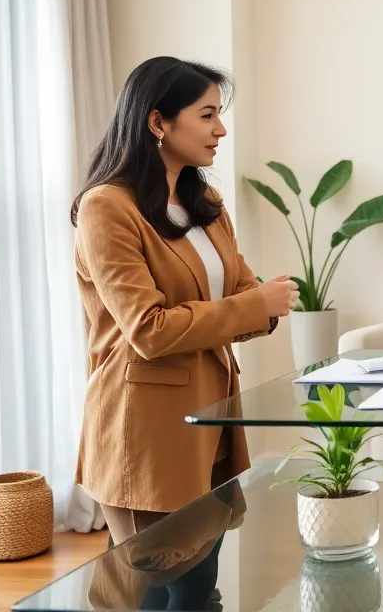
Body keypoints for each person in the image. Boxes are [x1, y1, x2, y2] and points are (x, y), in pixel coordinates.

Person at [71, 57, 298, 559]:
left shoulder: (206, 201)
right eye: (207, 114)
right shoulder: (107, 206)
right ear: (158, 122)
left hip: (213, 414)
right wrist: (254, 303)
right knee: (154, 585)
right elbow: (147, 330)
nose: (220, 130)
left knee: (202, 590)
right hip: (147, 428)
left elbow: (241, 289)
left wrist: (256, 303)